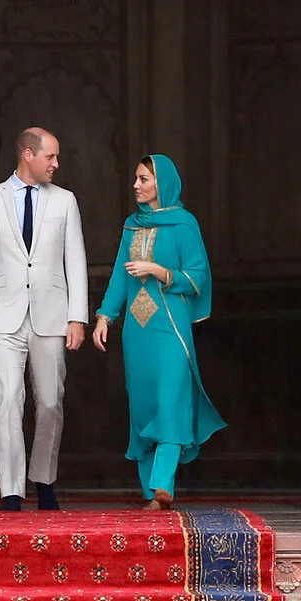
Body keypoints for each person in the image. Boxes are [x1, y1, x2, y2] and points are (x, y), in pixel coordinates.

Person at [0, 126, 89, 511]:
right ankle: (11, 491)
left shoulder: (65, 201)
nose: (56, 163)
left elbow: (76, 261)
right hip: (2, 314)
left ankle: (44, 480)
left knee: (51, 401)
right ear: (27, 155)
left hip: (52, 314)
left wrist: (77, 316)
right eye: (50, 156)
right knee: (7, 400)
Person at [90, 153, 224, 508]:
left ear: (161, 183)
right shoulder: (132, 225)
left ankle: (163, 485)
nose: (136, 185)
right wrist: (105, 316)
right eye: (136, 178)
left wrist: (160, 271)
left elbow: (198, 275)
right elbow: (121, 273)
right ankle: (152, 494)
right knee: (145, 405)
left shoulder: (184, 224)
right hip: (137, 330)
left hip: (170, 327)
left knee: (170, 400)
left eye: (143, 179)